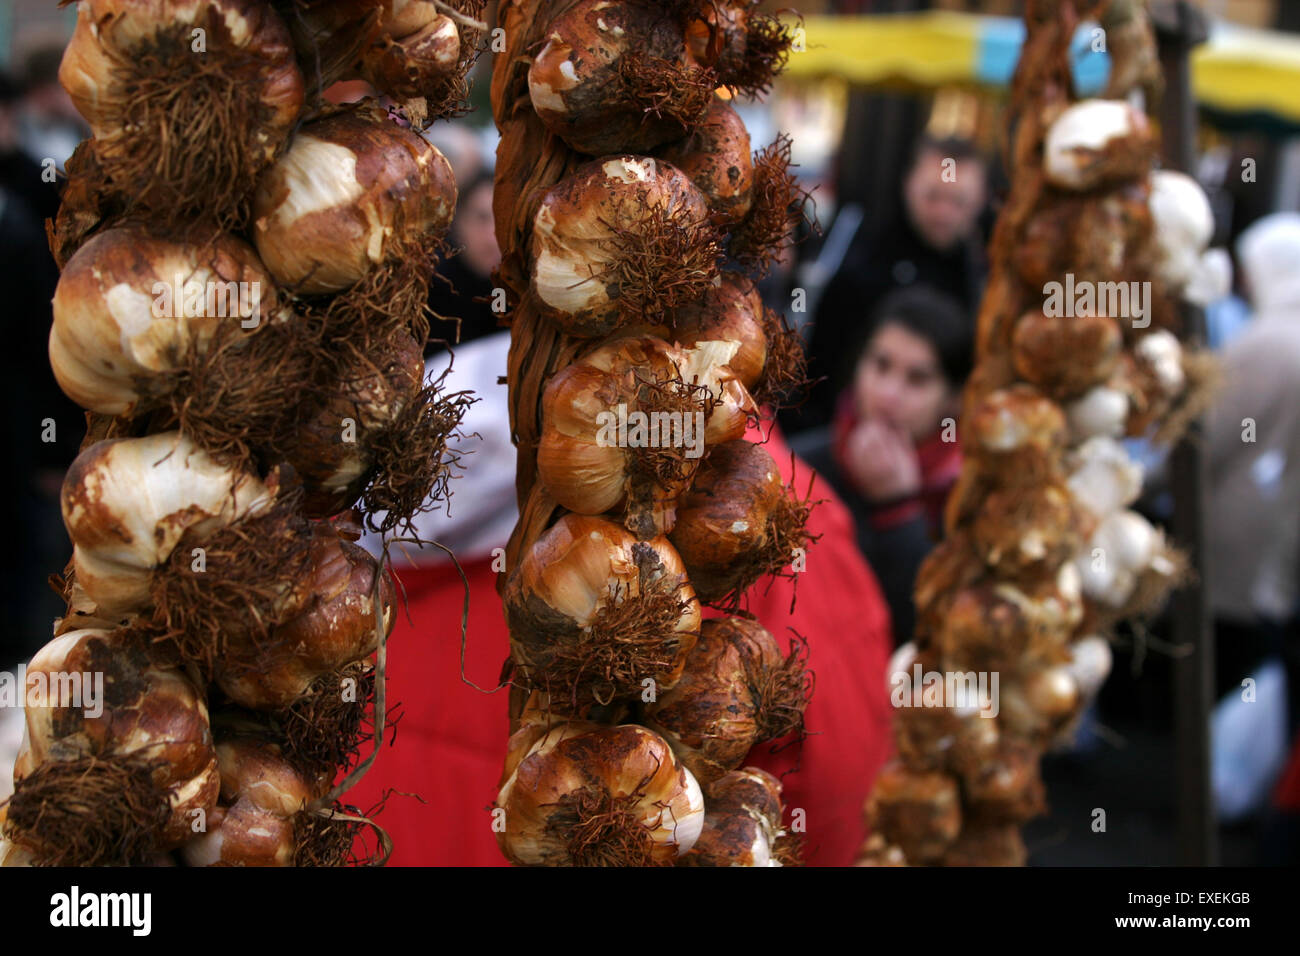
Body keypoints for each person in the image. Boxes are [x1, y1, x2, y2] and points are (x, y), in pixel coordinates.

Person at [795, 285, 972, 647]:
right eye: (881, 365)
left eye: (917, 379)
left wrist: (898, 512)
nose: (888, 394)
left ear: (953, 400)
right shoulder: (802, 465)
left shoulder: (968, 498)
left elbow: (932, 632)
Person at [1204, 212, 1300, 827]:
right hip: (1275, 537)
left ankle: (1209, 795)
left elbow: (1209, 435)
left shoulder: (1267, 340)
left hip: (1240, 529)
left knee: (1220, 666)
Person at [791, 135, 987, 433]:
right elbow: (820, 363)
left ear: (979, 201)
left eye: (958, 201)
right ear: (909, 185)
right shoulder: (863, 252)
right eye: (933, 196)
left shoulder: (979, 272)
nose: (944, 212)